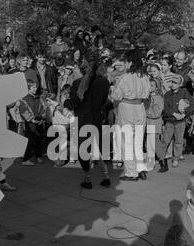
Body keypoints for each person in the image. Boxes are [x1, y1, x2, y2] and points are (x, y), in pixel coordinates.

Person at [70, 53, 111, 189]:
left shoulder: (77, 83)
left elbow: (74, 103)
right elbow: (105, 102)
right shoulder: (104, 82)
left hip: (82, 119)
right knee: (98, 149)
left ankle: (87, 178)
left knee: (83, 150)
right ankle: (106, 177)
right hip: (97, 118)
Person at [111, 49, 151, 181]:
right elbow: (148, 92)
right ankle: (141, 169)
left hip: (127, 107)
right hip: (140, 107)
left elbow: (116, 95)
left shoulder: (125, 77)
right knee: (138, 141)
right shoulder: (144, 76)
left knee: (126, 140)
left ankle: (131, 172)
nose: (125, 64)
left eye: (127, 61)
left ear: (130, 62)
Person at [162, 74, 194, 169]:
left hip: (180, 122)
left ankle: (176, 158)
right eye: (171, 82)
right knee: (165, 140)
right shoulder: (167, 94)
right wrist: (173, 113)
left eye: (175, 82)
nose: (173, 84)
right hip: (170, 121)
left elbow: (193, 105)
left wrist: (184, 114)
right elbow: (164, 108)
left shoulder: (184, 92)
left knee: (179, 140)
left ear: (180, 84)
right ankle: (161, 157)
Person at [18, 80, 47, 166]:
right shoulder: (24, 99)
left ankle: (38, 155)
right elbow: (23, 111)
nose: (35, 89)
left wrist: (42, 117)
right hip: (29, 123)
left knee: (38, 139)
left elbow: (42, 108)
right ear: (27, 88)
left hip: (39, 121)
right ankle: (25, 159)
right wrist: (31, 120)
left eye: (36, 87)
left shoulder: (38, 97)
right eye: (33, 87)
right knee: (30, 141)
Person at [145, 78, 165, 172]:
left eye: (152, 85)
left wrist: (145, 112)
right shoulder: (148, 96)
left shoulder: (158, 98)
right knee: (148, 144)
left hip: (154, 123)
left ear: (157, 87)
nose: (149, 87)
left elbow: (156, 113)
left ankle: (163, 162)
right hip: (148, 123)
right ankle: (151, 162)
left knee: (155, 144)